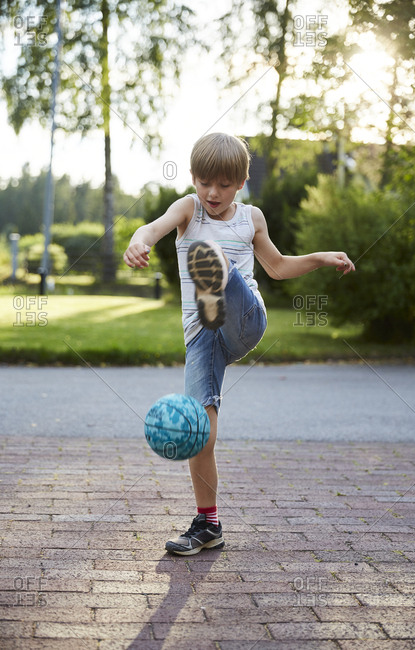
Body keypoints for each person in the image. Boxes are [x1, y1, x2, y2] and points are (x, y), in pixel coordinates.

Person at [123, 132, 355, 556]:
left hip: (245, 321)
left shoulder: (252, 218)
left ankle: (219, 273)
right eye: (205, 181)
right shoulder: (188, 209)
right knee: (200, 435)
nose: (213, 192)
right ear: (193, 177)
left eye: (225, 184)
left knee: (222, 268)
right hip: (202, 338)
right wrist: (139, 242)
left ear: (242, 181)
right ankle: (208, 524)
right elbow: (151, 227)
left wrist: (322, 257)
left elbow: (278, 267)